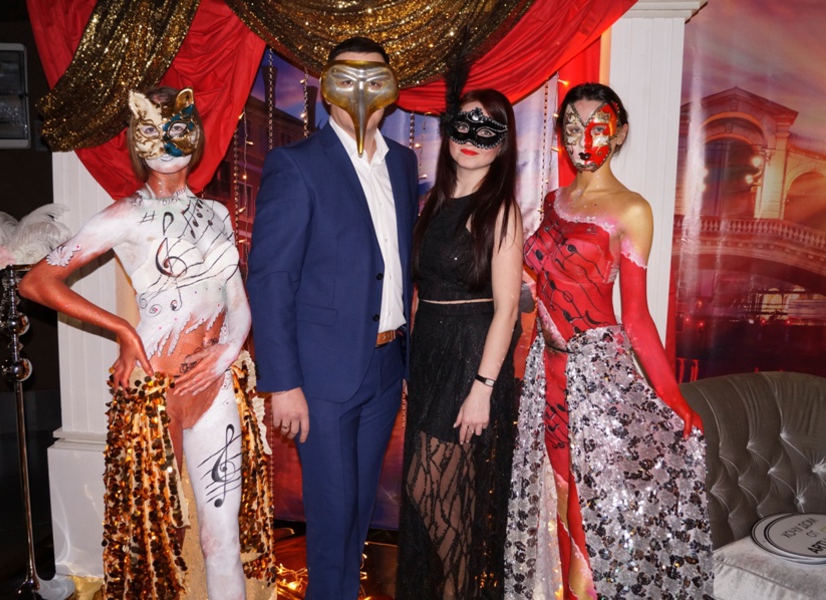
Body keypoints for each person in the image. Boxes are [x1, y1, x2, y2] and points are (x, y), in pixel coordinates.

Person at [20, 87, 250, 599]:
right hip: (152, 389)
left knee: (222, 539)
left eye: (178, 130)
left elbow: (237, 301)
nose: (166, 144)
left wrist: (227, 351)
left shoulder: (217, 214)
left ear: (196, 134)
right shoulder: (124, 214)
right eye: (152, 131)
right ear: (135, 138)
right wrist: (122, 330)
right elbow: (37, 282)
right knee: (155, 540)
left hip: (213, 384)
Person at [504, 82, 713, 599]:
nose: (583, 139)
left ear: (618, 135)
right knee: (556, 498)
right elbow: (539, 286)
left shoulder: (631, 210)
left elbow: (636, 318)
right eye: (573, 127)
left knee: (589, 508)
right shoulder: (553, 201)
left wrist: (672, 397)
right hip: (547, 377)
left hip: (597, 381)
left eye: (598, 127)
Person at [245, 37, 419, 599]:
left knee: (358, 512)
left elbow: (395, 264)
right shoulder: (296, 165)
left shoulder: (403, 163)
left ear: (390, 91)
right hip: (320, 378)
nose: (362, 93)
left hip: (385, 367)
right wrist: (283, 383)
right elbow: (271, 278)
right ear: (326, 89)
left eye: (376, 79)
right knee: (330, 516)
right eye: (349, 79)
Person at [396, 89, 522, 599]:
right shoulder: (436, 202)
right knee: (436, 494)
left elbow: (508, 308)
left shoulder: (500, 210)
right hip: (431, 358)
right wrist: (411, 368)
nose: (471, 138)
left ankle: (458, 592)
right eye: (463, 124)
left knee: (436, 488)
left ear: (502, 145)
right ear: (448, 131)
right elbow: (422, 293)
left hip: (470, 358)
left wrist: (482, 388)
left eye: (486, 130)